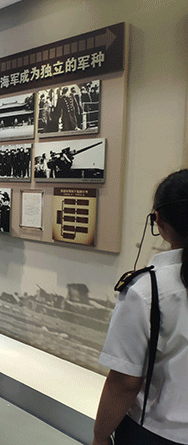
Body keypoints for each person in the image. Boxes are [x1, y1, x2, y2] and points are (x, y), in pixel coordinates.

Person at [92, 169, 188, 445]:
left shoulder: (147, 291)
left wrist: (100, 436)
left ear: (158, 221)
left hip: (158, 432)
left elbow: (125, 383)